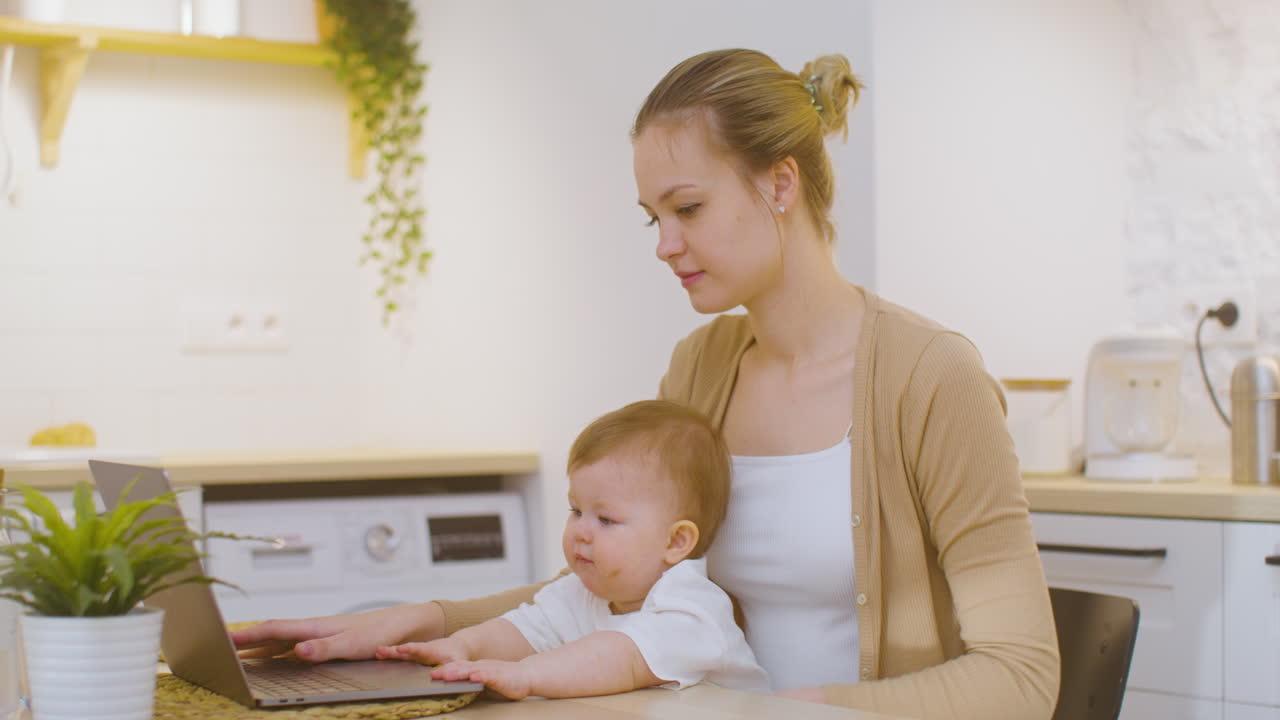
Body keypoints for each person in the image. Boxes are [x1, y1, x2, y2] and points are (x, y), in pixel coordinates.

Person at [233, 48, 1060, 719]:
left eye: (688, 208)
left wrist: (798, 711)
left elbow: (1021, 677)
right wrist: (425, 622)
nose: (664, 244)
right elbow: (619, 581)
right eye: (651, 216)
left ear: (780, 184)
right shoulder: (700, 368)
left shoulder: (931, 379)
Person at [373, 400, 769, 699]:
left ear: (676, 542)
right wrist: (464, 646)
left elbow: (620, 658)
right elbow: (525, 629)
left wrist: (525, 675)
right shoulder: (582, 592)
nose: (581, 531)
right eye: (576, 510)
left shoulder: (691, 609)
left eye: (606, 520)